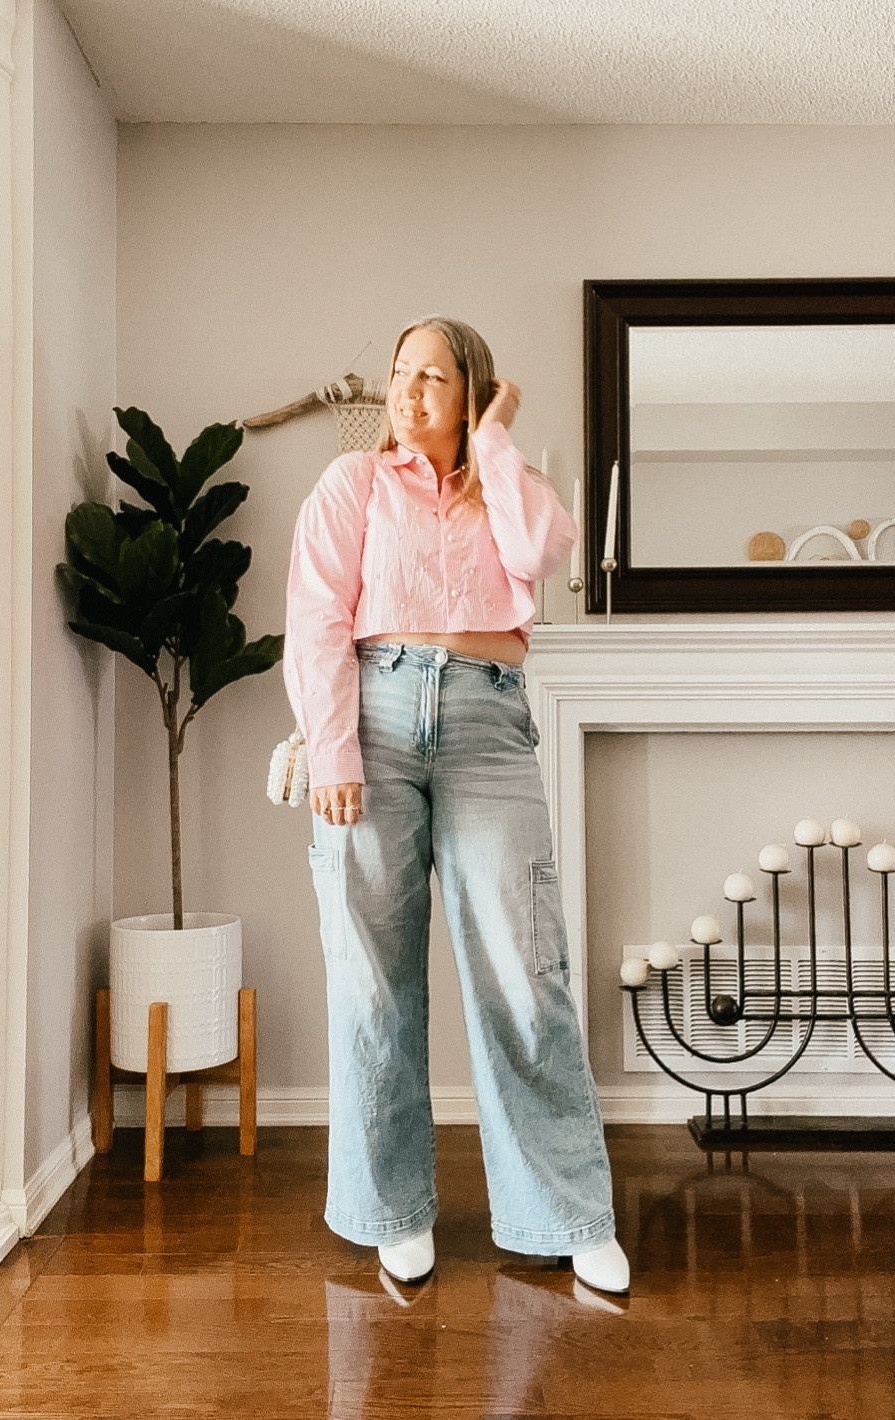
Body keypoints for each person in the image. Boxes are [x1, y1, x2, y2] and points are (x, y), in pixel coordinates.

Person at [282, 316, 630, 1295]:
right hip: (374, 709)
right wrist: (333, 748)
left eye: (432, 375)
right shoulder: (350, 485)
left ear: (468, 390)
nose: (406, 390)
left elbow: (545, 544)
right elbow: (314, 621)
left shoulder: (501, 489)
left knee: (525, 966)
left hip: (485, 715)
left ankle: (563, 1212)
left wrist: (495, 435)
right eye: (399, 372)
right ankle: (390, 1208)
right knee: (371, 977)